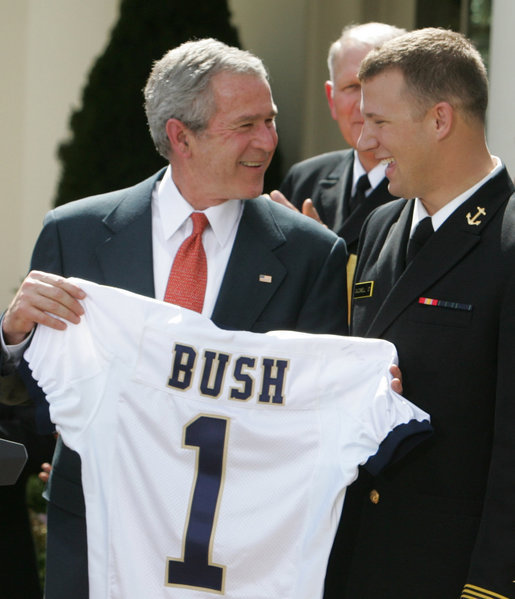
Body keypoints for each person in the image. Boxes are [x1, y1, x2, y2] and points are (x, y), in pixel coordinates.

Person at [0, 39, 348, 599]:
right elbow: (30, 398)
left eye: (270, 120)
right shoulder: (76, 233)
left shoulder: (313, 255)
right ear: (180, 136)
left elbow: (313, 421)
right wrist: (14, 338)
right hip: (95, 536)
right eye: (245, 125)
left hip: (237, 553)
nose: (268, 141)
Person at [331, 28, 515, 599]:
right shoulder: (381, 225)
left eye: (380, 123)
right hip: (356, 558)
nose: (364, 140)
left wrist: (488, 584)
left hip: (449, 573)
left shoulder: (508, 239)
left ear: (439, 120)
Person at [270, 23, 405, 294]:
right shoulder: (305, 178)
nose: (364, 104)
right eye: (352, 86)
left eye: (377, 85)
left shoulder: (425, 190)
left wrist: (321, 251)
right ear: (331, 98)